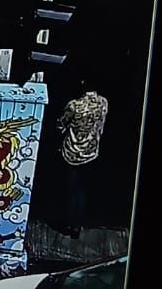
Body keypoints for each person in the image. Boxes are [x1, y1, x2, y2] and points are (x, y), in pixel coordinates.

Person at [58, 77, 108, 237]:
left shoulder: (74, 106)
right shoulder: (103, 103)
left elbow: (61, 123)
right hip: (92, 152)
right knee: (82, 190)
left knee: (71, 189)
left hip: (72, 151)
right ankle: (78, 225)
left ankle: (69, 223)